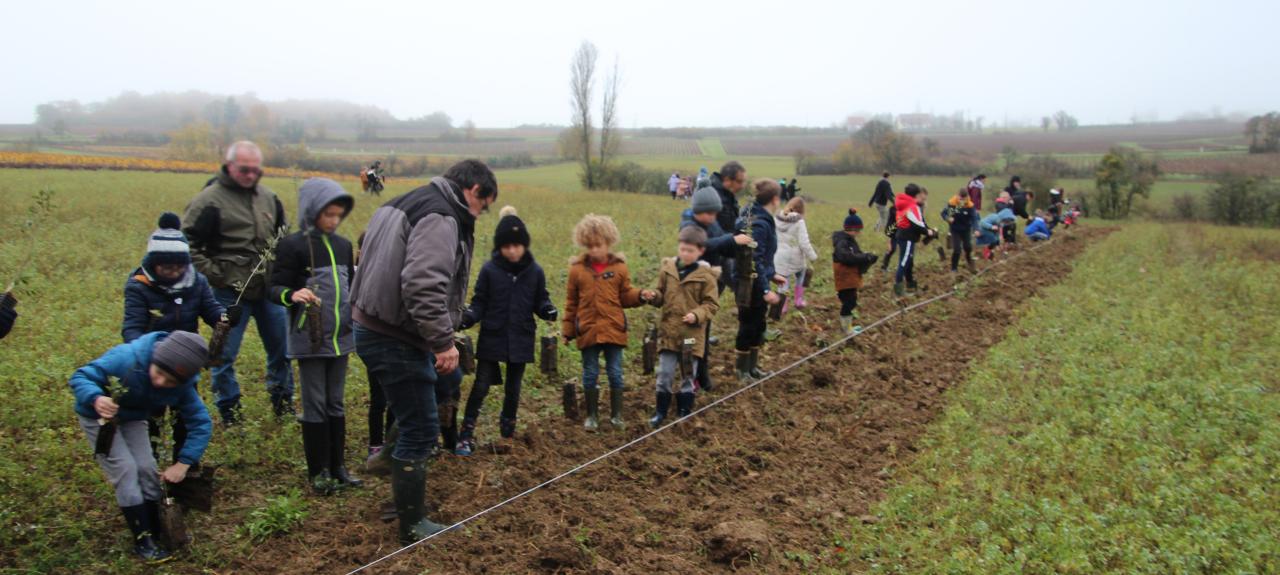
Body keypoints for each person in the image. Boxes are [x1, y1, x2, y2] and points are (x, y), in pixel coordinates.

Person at [352, 159, 497, 543]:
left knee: (431, 391)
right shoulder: (442, 216)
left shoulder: (404, 200)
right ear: (475, 192)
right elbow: (421, 284)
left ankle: (386, 457)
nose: (480, 215)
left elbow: (366, 250)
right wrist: (442, 342)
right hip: (395, 333)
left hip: (371, 322)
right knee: (421, 428)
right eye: (484, 207)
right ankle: (413, 525)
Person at [68, 331, 212, 564]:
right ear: (154, 359)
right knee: (125, 470)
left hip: (134, 417)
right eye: (159, 374)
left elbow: (201, 422)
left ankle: (155, 526)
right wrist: (96, 398)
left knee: (146, 467)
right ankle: (143, 539)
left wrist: (183, 463)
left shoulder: (184, 388)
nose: (161, 383)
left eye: (171, 382)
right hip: (99, 417)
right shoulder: (126, 359)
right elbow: (81, 376)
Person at [182, 140, 292, 423]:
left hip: (267, 290)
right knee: (222, 355)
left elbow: (283, 238)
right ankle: (230, 412)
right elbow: (187, 244)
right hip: (228, 293)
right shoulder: (209, 200)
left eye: (256, 170)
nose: (251, 175)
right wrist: (216, 274)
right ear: (229, 166)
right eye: (244, 169)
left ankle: (283, 403)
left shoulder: (270, 197)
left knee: (282, 350)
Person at [268, 178, 361, 495]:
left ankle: (339, 467)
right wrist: (292, 295)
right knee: (316, 404)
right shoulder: (292, 246)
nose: (334, 221)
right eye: (328, 214)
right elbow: (273, 288)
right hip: (310, 339)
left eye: (338, 215)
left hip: (341, 338)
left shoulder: (343, 246)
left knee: (336, 403)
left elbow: (351, 287)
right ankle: (318, 472)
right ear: (312, 211)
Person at [121, 212, 226, 466]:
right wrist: (149, 353)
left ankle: (185, 467)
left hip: (185, 362)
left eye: (179, 266)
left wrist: (223, 318)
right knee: (151, 419)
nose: (174, 272)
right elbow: (131, 329)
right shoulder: (139, 286)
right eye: (167, 267)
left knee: (186, 418)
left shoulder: (196, 281)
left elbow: (210, 309)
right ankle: (150, 468)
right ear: (153, 263)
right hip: (152, 365)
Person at [454, 207, 557, 456]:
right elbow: (479, 303)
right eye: (507, 246)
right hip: (493, 335)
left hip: (521, 336)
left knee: (514, 388)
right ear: (499, 246)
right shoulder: (490, 270)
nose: (512, 250)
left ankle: (507, 432)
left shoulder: (535, 272)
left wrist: (548, 310)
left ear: (524, 245)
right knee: (481, 386)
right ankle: (466, 434)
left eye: (517, 245)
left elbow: (540, 300)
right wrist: (467, 318)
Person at [562, 214, 646, 431]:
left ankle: (617, 415)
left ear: (609, 242)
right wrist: (568, 330)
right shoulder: (577, 270)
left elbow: (625, 295)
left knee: (615, 372)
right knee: (590, 373)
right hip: (588, 330)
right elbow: (571, 303)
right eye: (589, 246)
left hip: (613, 328)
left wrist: (640, 295)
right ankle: (592, 416)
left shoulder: (619, 268)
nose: (594, 251)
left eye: (598, 245)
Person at [642, 226, 720, 428]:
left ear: (700, 251)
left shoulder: (706, 276)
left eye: (690, 251)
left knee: (687, 375)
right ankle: (660, 412)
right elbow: (660, 294)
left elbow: (711, 305)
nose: (685, 254)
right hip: (669, 333)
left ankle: (684, 412)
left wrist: (696, 314)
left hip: (690, 337)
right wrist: (653, 296)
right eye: (683, 249)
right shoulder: (668, 270)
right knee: (664, 374)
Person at [680, 186, 752, 392]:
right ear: (698, 210)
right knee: (692, 331)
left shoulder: (711, 223)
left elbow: (723, 245)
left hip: (709, 283)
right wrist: (730, 239)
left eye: (715, 213)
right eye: (709, 213)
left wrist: (739, 241)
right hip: (693, 285)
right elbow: (701, 245)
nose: (713, 217)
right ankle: (691, 376)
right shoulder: (688, 224)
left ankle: (701, 375)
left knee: (705, 328)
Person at [734, 179, 785, 383]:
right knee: (748, 325)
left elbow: (761, 258)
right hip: (750, 284)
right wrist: (765, 290)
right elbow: (754, 259)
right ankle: (742, 371)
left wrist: (772, 274)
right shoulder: (759, 223)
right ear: (775, 199)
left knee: (758, 323)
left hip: (756, 280)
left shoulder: (757, 218)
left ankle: (753, 368)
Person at [831, 209, 878, 335]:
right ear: (852, 229)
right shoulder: (842, 242)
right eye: (858, 231)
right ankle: (846, 329)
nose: (859, 234)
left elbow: (855, 254)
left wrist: (867, 256)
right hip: (844, 277)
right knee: (849, 302)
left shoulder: (850, 241)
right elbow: (845, 257)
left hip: (850, 277)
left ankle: (848, 327)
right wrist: (864, 257)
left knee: (851, 300)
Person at [773, 197, 818, 311]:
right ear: (801, 210)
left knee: (783, 280)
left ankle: (783, 306)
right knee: (801, 275)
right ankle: (798, 301)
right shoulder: (799, 222)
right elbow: (804, 243)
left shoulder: (776, 218)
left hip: (779, 255)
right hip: (795, 256)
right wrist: (813, 256)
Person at [892, 184, 938, 296]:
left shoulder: (903, 203)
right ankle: (899, 291)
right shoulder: (912, 206)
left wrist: (927, 229)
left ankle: (911, 286)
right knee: (903, 263)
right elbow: (917, 224)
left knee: (909, 263)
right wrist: (929, 232)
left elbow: (920, 222)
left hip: (904, 236)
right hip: (907, 238)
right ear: (917, 194)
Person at [942, 188, 979, 274]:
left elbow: (974, 219)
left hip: (966, 229)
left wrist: (976, 229)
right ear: (957, 196)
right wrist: (948, 218)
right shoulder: (952, 203)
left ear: (967, 197)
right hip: (955, 230)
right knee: (957, 249)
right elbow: (944, 213)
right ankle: (954, 269)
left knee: (968, 247)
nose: (961, 201)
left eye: (963, 199)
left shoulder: (970, 206)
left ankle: (970, 262)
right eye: (960, 199)